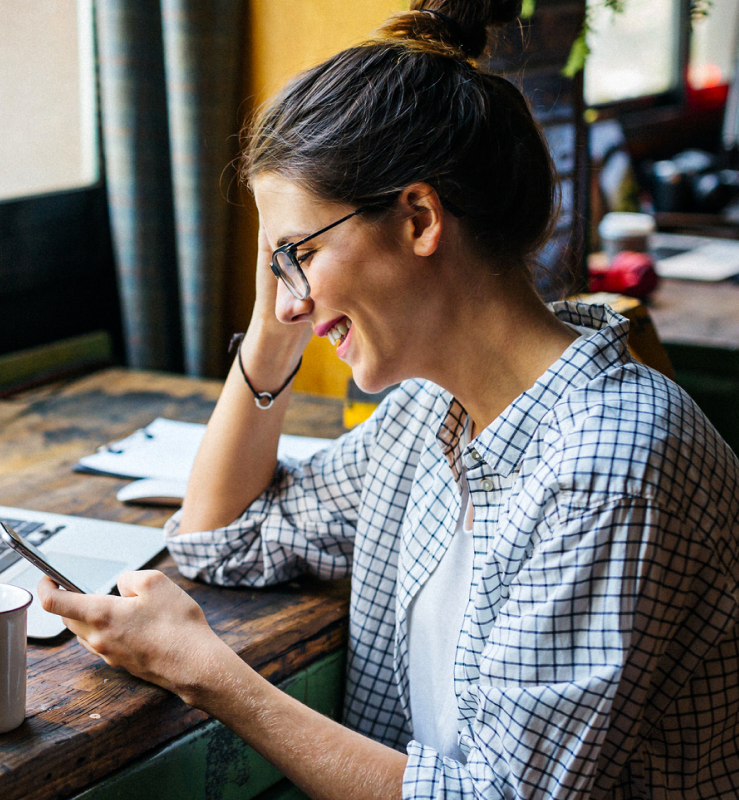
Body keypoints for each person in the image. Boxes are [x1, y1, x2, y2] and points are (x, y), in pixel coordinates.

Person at [36, 2, 739, 797]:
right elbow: (221, 536)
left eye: (298, 254)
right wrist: (277, 326)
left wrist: (207, 673)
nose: (287, 298)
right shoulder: (427, 416)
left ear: (418, 218)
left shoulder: (610, 466)